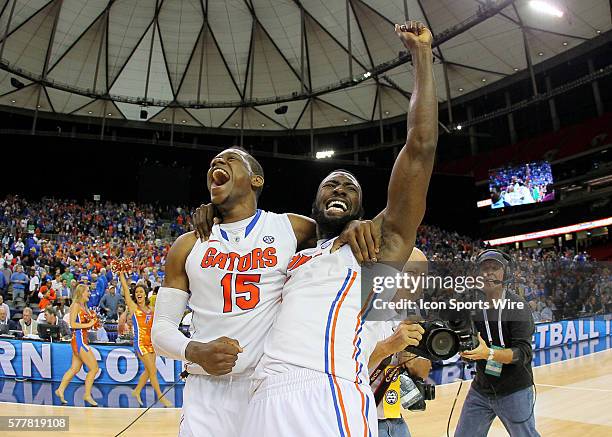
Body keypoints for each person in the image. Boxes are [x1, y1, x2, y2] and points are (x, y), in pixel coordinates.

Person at [239, 21, 437, 436]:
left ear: (362, 207)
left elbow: (419, 150)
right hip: (262, 394)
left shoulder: (375, 248)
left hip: (328, 391)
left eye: (350, 186)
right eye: (330, 182)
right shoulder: (289, 252)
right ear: (315, 202)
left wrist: (421, 57)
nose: (340, 186)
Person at [153, 143, 375, 432]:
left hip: (265, 388)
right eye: (213, 163)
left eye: (230, 160)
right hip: (205, 390)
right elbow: (160, 329)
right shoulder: (187, 244)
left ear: (256, 180)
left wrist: (353, 224)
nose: (216, 164)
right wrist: (194, 351)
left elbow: (331, 231)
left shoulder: (290, 228)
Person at [455, 249, 539, 437]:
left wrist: (489, 354)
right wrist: (467, 350)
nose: (489, 272)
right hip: (481, 389)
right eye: (485, 268)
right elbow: (469, 338)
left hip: (514, 390)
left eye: (495, 268)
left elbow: (523, 353)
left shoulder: (518, 307)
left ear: (506, 274)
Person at [116, 263, 171, 408]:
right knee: (153, 371)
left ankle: (137, 391)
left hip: (152, 343)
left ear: (145, 294)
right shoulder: (133, 308)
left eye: (141, 291)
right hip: (140, 343)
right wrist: (121, 275)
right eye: (136, 292)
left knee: (148, 370)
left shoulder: (152, 308)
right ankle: (161, 398)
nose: (138, 293)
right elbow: (126, 293)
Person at [55, 284, 100, 406]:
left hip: (81, 340)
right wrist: (89, 324)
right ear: (81, 293)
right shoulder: (75, 306)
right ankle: (87, 395)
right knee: (94, 368)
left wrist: (93, 323)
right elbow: (72, 325)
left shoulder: (84, 306)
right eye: (87, 291)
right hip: (79, 340)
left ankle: (60, 389)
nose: (89, 294)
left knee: (74, 369)